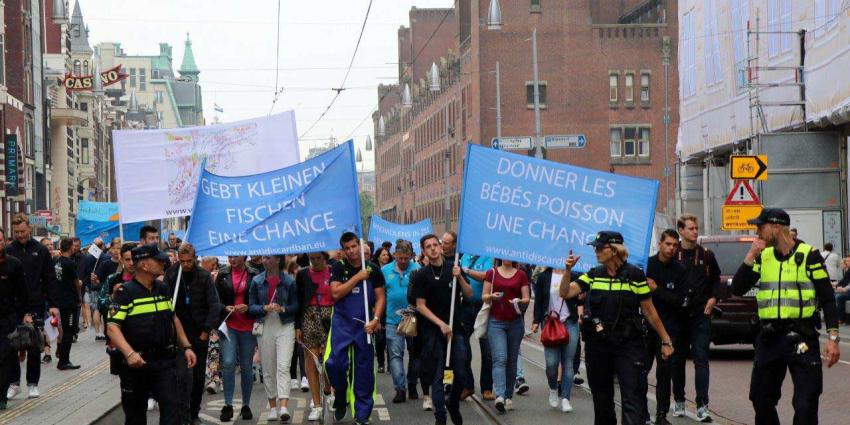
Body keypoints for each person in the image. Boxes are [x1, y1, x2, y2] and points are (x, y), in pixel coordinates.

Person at [731, 208, 840, 425]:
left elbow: (828, 298)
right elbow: (738, 288)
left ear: (776, 227)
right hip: (769, 338)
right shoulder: (763, 256)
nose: (758, 232)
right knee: (761, 399)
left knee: (806, 402)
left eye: (760, 227)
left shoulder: (810, 255)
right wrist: (750, 256)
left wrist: (833, 338)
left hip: (802, 338)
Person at [560, 231, 674, 425]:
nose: (596, 251)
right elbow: (565, 292)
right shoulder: (594, 275)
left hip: (629, 344)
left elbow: (649, 311)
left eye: (599, 248)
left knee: (632, 397)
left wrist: (666, 340)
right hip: (599, 345)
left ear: (614, 250)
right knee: (602, 401)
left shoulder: (635, 275)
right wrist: (568, 270)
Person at [106, 244, 198, 425]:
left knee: (173, 412)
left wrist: (186, 346)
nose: (163, 263)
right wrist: (129, 353)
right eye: (158, 260)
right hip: (136, 365)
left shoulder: (162, 288)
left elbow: (174, 319)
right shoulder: (125, 293)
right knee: (135, 417)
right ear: (144, 266)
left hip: (164, 361)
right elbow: (112, 328)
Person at [327, 232, 386, 425]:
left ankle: (362, 415)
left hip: (364, 325)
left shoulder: (373, 269)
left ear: (360, 246)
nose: (352, 251)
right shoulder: (338, 267)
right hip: (342, 324)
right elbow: (335, 293)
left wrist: (375, 319)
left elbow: (380, 298)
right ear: (342, 250)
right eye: (347, 248)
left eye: (354, 246)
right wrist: (357, 278)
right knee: (334, 364)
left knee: (364, 371)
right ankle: (341, 397)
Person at [411, 234, 470, 425]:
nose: (433, 249)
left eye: (435, 245)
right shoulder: (421, 275)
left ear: (441, 247)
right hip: (433, 331)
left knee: (460, 370)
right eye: (428, 247)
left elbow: (469, 294)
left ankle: (452, 403)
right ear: (424, 251)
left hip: (456, 329)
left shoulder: (454, 267)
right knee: (437, 374)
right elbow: (420, 305)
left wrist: (459, 276)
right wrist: (440, 324)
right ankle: (441, 417)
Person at [165, 243, 222, 425]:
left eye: (189, 261)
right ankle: (183, 413)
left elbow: (214, 305)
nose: (186, 265)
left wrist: (206, 331)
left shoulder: (204, 276)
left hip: (199, 334)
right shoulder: (173, 274)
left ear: (195, 258)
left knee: (197, 377)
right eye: (182, 261)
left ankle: (194, 413)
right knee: (181, 377)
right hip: (178, 334)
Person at [5, 213, 58, 400]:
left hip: (35, 303)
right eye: (16, 231)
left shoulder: (41, 250)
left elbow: (50, 278)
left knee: (34, 343)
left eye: (22, 231)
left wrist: (53, 304)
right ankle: (13, 382)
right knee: (10, 344)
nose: (19, 235)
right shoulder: (8, 250)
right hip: (12, 305)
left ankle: (32, 383)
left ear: (30, 229)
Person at [672, 214, 720, 421]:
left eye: (696, 228)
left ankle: (703, 405)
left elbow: (716, 280)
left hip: (701, 316)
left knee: (701, 360)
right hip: (678, 316)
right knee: (677, 360)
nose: (695, 231)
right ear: (681, 231)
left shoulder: (707, 255)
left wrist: (714, 298)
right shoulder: (673, 255)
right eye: (690, 228)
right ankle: (679, 401)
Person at [643, 229, 689, 425]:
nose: (671, 248)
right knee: (640, 371)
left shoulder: (680, 270)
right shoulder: (647, 266)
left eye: (674, 245)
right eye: (668, 244)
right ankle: (641, 411)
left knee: (664, 374)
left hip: (669, 330)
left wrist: (657, 290)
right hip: (646, 328)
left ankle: (661, 414)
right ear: (660, 243)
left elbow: (679, 301)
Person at [249, 255, 299, 422]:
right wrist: (264, 307)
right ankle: (272, 407)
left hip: (285, 325)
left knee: (284, 366)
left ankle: (283, 406)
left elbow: (295, 305)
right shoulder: (256, 281)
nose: (264, 261)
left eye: (268, 258)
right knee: (268, 368)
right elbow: (251, 307)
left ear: (278, 260)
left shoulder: (290, 281)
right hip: (265, 325)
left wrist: (283, 308)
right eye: (263, 258)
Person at [482, 258, 530, 413]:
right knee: (500, 358)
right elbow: (484, 295)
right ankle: (500, 396)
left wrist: (519, 301)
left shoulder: (521, 274)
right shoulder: (492, 273)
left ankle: (509, 395)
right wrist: (491, 297)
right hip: (496, 322)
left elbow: (527, 298)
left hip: (515, 323)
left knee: (512, 361)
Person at [531, 267, 580, 413]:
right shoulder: (544, 276)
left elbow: (581, 295)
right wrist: (536, 320)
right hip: (550, 322)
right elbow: (539, 300)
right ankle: (553, 388)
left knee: (568, 362)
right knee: (551, 363)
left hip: (570, 322)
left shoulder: (574, 275)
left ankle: (565, 398)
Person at [214, 256, 257, 422]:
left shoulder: (254, 273)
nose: (231, 259)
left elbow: (259, 299)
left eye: (235, 256)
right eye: (229, 256)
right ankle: (228, 405)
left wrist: (248, 307)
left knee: (246, 366)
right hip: (229, 325)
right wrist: (224, 308)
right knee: (228, 362)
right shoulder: (222, 274)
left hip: (248, 326)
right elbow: (215, 299)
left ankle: (246, 405)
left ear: (244, 256)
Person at [295, 251, 336, 421]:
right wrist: (297, 326)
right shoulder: (303, 274)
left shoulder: (335, 271)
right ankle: (317, 405)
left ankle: (329, 388)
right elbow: (298, 301)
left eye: (318, 258)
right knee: (311, 359)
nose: (315, 262)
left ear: (325, 258)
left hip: (331, 316)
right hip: (309, 316)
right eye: (312, 259)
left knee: (328, 360)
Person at [380, 240, 420, 404]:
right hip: (392, 320)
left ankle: (412, 383)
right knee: (395, 355)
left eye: (406, 258)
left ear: (410, 255)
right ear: (395, 255)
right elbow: (381, 295)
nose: (403, 261)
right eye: (400, 258)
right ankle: (400, 388)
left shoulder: (417, 270)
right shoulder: (385, 271)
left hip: (414, 319)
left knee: (415, 355)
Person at [458, 253, 495, 401]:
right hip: (466, 307)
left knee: (487, 351)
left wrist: (465, 271)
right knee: (462, 349)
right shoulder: (464, 256)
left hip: (484, 308)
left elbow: (487, 276)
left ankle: (487, 388)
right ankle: (468, 385)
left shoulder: (489, 257)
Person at [0, 229, 29, 410]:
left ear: (4, 242)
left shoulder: (13, 265)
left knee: (3, 357)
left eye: (0, 240)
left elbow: (23, 293)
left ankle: (1, 395)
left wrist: (25, 314)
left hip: (6, 318)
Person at [54, 238, 82, 370]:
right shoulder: (70, 263)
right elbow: (77, 282)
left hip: (60, 300)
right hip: (69, 302)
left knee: (63, 330)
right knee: (69, 331)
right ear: (70, 247)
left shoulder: (57, 262)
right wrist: (80, 286)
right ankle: (64, 360)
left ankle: (61, 356)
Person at [91, 238, 122, 341]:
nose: (117, 250)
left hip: (121, 297)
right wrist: (95, 279)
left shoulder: (126, 265)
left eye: (119, 248)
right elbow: (97, 281)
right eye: (115, 248)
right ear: (110, 249)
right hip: (107, 296)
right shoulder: (105, 264)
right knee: (108, 317)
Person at [78, 237, 104, 332]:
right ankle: (96, 325)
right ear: (103, 246)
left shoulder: (88, 257)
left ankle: (94, 326)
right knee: (94, 306)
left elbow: (84, 271)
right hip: (97, 284)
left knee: (93, 306)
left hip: (91, 284)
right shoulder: (103, 256)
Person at [372, 247, 392, 375]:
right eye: (383, 255)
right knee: (380, 338)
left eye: (387, 255)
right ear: (378, 256)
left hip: (390, 308)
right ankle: (380, 362)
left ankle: (391, 363)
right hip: (380, 309)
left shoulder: (392, 269)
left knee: (391, 338)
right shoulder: (374, 270)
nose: (386, 257)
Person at [834, 257, 850, 324]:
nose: (846, 262)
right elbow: (843, 282)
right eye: (846, 261)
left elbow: (847, 285)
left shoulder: (848, 272)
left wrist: (843, 289)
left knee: (839, 297)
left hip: (848, 291)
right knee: (834, 295)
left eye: (848, 261)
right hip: (847, 290)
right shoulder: (847, 272)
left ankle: (840, 318)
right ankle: (835, 316)